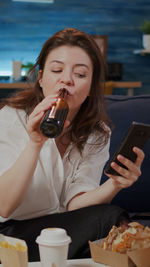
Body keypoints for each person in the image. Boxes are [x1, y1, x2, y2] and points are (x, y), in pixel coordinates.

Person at [0, 28, 144, 261]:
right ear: (40, 77)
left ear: (90, 87)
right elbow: (4, 206)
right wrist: (35, 144)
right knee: (109, 220)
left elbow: (75, 203)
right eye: (57, 70)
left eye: (80, 74)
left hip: (59, 230)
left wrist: (116, 184)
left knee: (108, 222)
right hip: (10, 235)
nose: (66, 79)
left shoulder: (97, 133)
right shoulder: (11, 118)